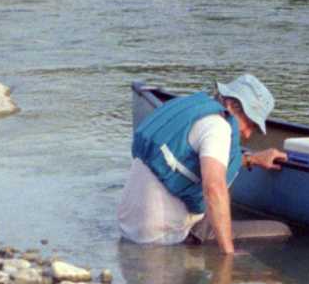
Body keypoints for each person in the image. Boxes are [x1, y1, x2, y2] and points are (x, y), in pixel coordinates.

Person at [118, 75, 285, 254]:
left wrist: (253, 159)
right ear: (232, 105)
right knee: (281, 230)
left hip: (129, 229)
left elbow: (186, 162)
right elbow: (214, 188)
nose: (248, 134)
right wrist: (228, 255)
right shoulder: (218, 127)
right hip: (162, 238)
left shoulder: (192, 106)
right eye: (250, 123)